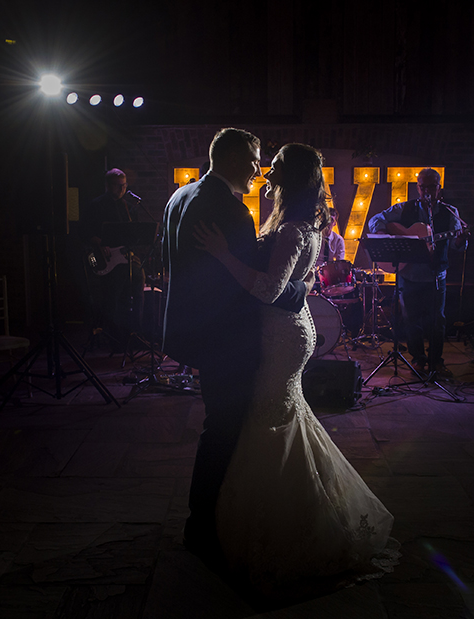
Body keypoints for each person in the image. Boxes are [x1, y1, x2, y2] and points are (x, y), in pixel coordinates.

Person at [193, 143, 397, 598]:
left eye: (278, 162)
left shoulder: (290, 230)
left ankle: (282, 524)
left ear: (294, 174)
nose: (269, 166)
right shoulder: (304, 222)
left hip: (281, 334)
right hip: (292, 329)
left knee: (268, 421)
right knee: (283, 419)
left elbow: (268, 290)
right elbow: (299, 281)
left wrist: (224, 254)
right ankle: (296, 512)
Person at [161, 129, 310, 567]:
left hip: (192, 330)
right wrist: (299, 289)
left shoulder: (181, 195)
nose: (257, 169)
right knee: (222, 431)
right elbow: (254, 288)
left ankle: (211, 520)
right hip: (224, 338)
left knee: (221, 426)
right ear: (227, 158)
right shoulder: (231, 210)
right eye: (252, 160)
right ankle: (202, 529)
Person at [367, 168, 468, 377]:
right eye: (422, 187)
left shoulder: (450, 212)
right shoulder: (404, 208)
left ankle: (435, 361)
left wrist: (460, 239)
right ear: (418, 187)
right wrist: (385, 234)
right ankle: (418, 360)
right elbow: (375, 219)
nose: (426, 191)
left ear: (439, 188)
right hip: (409, 274)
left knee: (437, 320)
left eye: (431, 186)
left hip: (435, 275)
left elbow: (459, 246)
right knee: (411, 320)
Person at [79, 168, 146, 346]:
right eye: (118, 186)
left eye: (124, 185)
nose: (122, 189)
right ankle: (114, 338)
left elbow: (133, 235)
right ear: (108, 186)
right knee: (114, 298)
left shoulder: (129, 207)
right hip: (108, 260)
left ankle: (134, 334)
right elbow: (85, 232)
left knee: (138, 289)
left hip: (126, 258)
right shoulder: (96, 205)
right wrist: (100, 243)